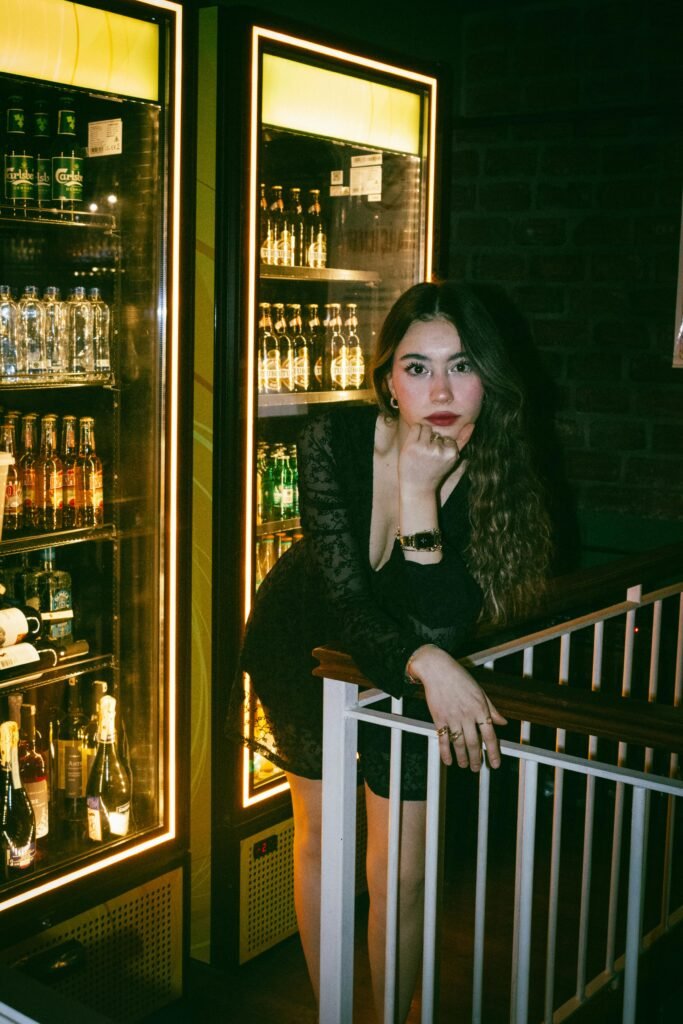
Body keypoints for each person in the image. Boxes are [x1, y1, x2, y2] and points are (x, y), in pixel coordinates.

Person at [236, 280, 553, 1021]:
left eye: (460, 365)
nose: (439, 391)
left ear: (487, 376)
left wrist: (418, 495)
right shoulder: (335, 439)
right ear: (387, 381)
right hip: (305, 645)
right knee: (322, 839)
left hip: (406, 668)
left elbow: (442, 627)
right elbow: (345, 602)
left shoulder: (498, 471)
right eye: (417, 367)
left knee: (404, 869)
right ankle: (333, 1012)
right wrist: (429, 661)